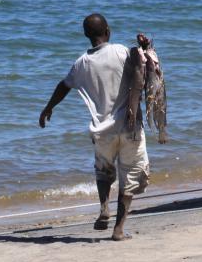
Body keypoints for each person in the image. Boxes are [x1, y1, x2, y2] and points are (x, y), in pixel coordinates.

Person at [39, 13, 149, 241]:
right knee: (129, 175)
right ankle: (118, 230)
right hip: (130, 126)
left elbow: (64, 86)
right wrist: (144, 46)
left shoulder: (82, 63)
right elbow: (143, 67)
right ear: (108, 30)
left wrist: (48, 108)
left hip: (102, 130)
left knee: (103, 171)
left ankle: (103, 207)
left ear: (86, 35)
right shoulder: (120, 51)